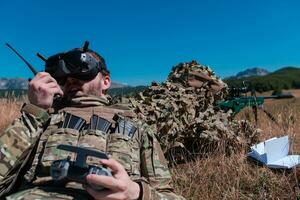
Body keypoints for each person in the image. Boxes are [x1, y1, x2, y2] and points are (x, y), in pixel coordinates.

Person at [0, 43, 185, 200]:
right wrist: (36, 111)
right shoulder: (42, 119)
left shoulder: (136, 127)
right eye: (64, 77)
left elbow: (167, 195)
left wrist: (134, 192)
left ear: (106, 82)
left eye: (82, 69)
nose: (71, 79)